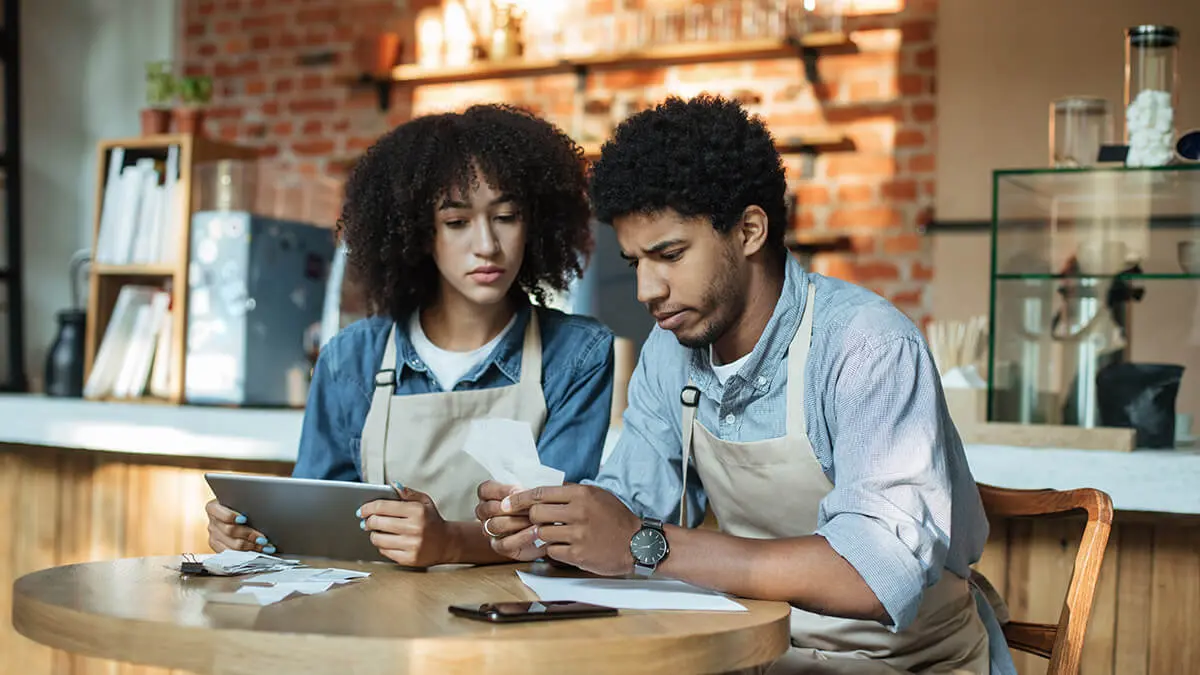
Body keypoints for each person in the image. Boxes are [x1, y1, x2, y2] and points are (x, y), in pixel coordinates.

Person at [476, 95, 1015, 674]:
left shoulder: (867, 347)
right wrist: (557, 528)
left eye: (670, 254)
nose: (646, 290)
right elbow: (629, 507)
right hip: (754, 654)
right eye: (636, 262)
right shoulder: (670, 351)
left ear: (750, 231)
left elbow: (878, 574)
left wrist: (641, 543)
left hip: (904, 662)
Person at [206, 104, 615, 569]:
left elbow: (561, 532)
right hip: (381, 626)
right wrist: (254, 533)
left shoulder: (578, 354)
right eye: (457, 222)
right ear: (421, 235)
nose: (487, 244)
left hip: (515, 624)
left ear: (535, 224)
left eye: (506, 216)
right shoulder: (351, 358)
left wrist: (451, 543)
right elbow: (317, 529)